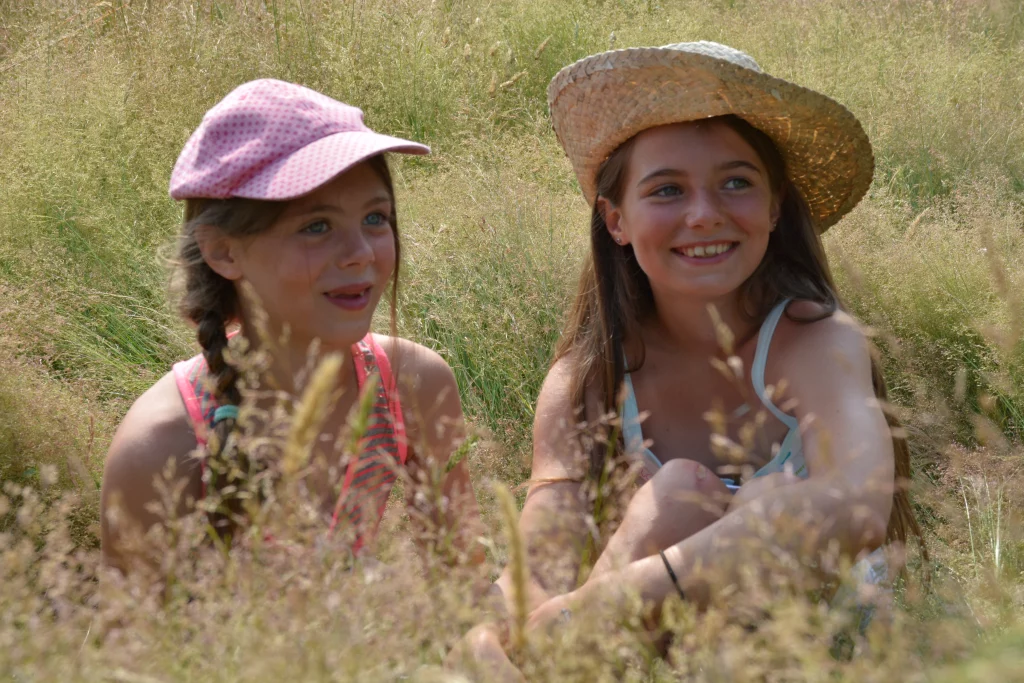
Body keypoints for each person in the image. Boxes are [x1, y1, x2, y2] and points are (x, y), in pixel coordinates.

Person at [452, 41, 922, 673]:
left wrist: (623, 593)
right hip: (655, 645)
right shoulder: (588, 377)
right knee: (675, 492)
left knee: (769, 498)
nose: (704, 215)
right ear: (616, 220)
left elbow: (857, 503)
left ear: (775, 205)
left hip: (817, 645)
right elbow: (545, 548)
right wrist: (494, 631)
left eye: (736, 182)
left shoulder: (818, 341)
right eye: (667, 190)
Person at [101, 79, 483, 574]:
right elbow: (133, 647)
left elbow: (465, 579)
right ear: (223, 251)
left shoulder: (411, 385)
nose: (361, 254)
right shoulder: (162, 445)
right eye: (316, 226)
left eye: (375, 217)